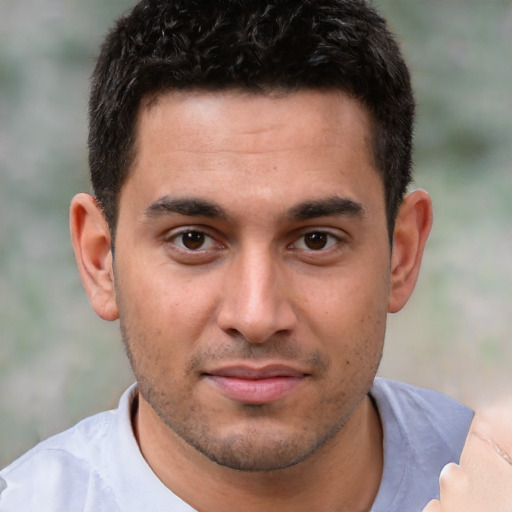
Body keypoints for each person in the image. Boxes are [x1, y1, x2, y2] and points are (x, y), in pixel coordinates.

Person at [0, 1, 475, 511]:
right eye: (193, 240)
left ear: (400, 254)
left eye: (317, 240)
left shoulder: (491, 469)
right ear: (100, 259)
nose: (256, 317)